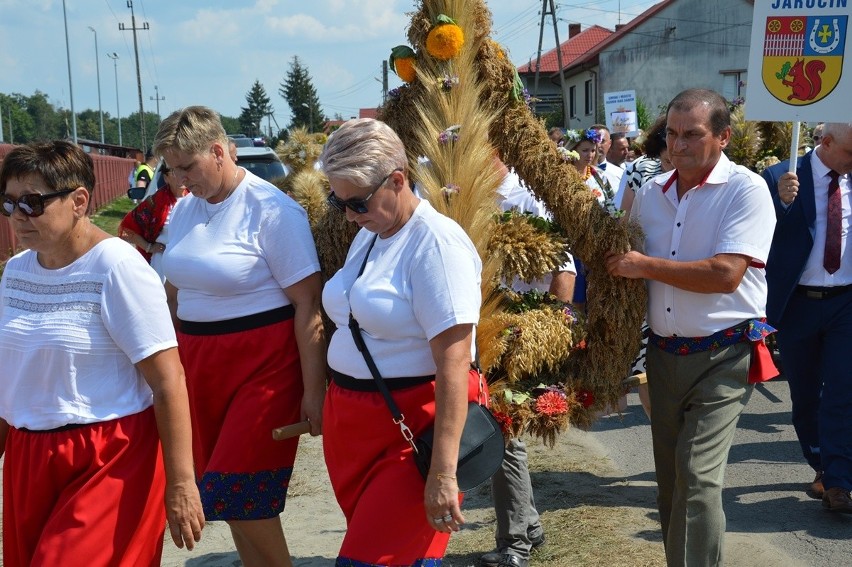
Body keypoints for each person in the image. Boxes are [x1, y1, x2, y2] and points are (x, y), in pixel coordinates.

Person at [0, 140, 204, 565]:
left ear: (78, 201)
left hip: (108, 456)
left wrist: (182, 483)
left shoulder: (117, 268)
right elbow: (11, 377)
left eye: (32, 203)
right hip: (29, 458)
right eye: (10, 202)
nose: (18, 216)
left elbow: (168, 381)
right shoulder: (16, 273)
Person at [605, 89, 776, 566]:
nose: (677, 146)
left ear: (723, 137)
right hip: (662, 357)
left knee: (698, 479)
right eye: (672, 135)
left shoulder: (747, 189)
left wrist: (642, 265)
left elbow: (725, 275)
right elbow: (624, 265)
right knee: (672, 484)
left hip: (723, 356)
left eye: (692, 135)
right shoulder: (651, 194)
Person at [154, 106, 326, 567]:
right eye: (172, 169)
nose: (181, 179)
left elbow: (308, 304)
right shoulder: (186, 209)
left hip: (262, 366)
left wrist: (314, 391)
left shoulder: (273, 209)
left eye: (187, 167)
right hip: (199, 366)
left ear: (217, 151)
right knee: (227, 499)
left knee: (241, 492)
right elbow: (174, 289)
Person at [319, 118, 483, 565]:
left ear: (397, 179)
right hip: (358, 428)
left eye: (356, 202)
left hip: (411, 433)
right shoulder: (374, 233)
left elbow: (454, 362)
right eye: (338, 202)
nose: (349, 215)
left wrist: (443, 473)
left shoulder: (437, 245)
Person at [480, 156, 576, 567]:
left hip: (520, 330)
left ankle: (514, 542)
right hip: (478, 325)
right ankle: (528, 526)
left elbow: (563, 271)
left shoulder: (528, 196)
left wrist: (544, 334)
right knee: (500, 429)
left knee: (501, 430)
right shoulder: (457, 188)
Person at [762, 122, 852, 513]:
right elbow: (759, 237)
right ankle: (821, 465)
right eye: (850, 152)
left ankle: (838, 482)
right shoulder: (779, 176)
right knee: (804, 397)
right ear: (826, 142)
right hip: (796, 304)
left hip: (845, 304)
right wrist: (780, 205)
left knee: (842, 392)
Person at [119, 162, 187, 282]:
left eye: (183, 170)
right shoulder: (154, 202)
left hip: (188, 263)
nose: (180, 175)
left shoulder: (197, 199)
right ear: (166, 178)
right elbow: (128, 228)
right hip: (162, 264)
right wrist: (148, 247)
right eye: (174, 171)